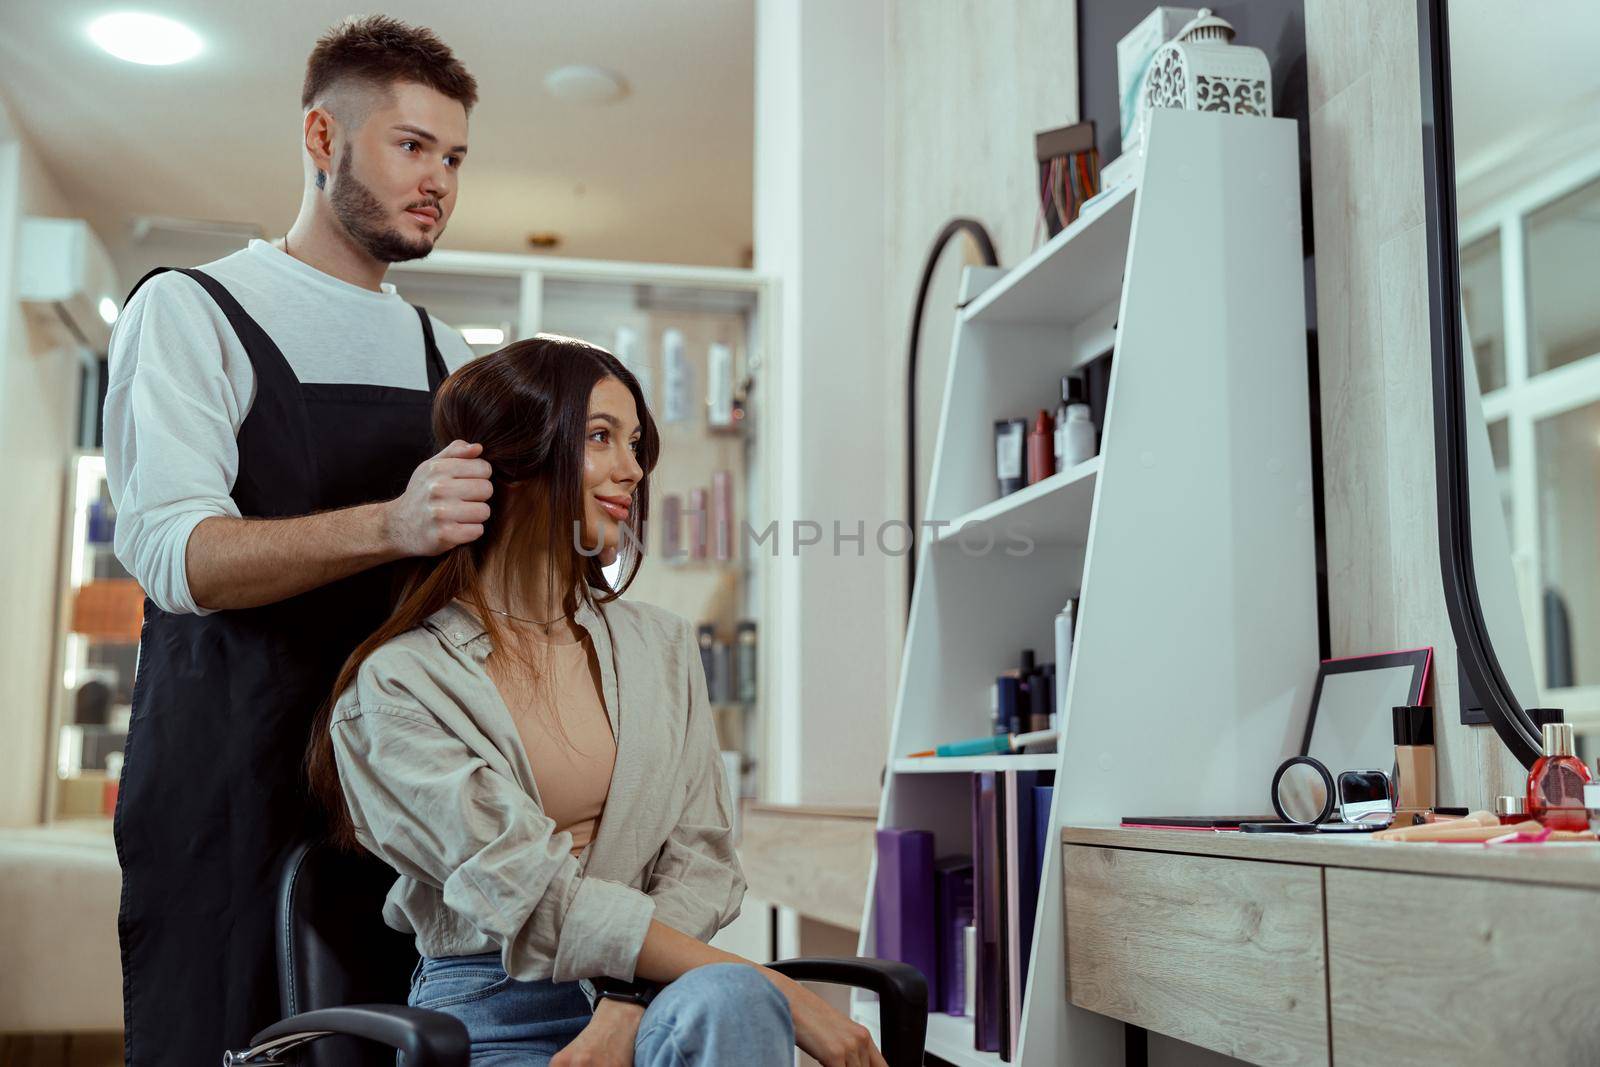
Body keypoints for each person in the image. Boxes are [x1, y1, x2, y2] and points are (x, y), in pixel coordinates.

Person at [306, 337, 888, 1067]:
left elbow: (704, 855)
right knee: (747, 991)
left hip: (662, 993)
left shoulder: (663, 648)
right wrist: (784, 989)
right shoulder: (400, 687)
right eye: (601, 437)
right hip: (493, 1010)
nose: (633, 469)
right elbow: (530, 891)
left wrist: (627, 1004)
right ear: (509, 461)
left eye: (636, 442)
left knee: (733, 1000)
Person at [104, 16, 491, 1063]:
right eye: (411, 146)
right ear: (323, 139)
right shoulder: (193, 310)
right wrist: (393, 521)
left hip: (395, 798)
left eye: (453, 156)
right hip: (227, 783)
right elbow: (179, 557)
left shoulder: (443, 351)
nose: (439, 180)